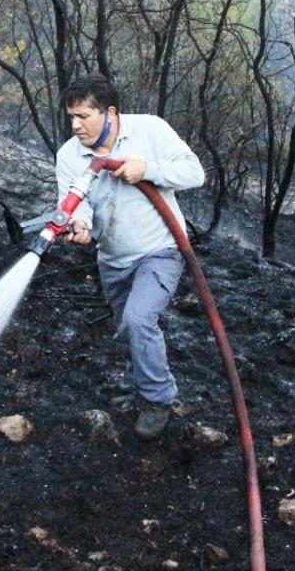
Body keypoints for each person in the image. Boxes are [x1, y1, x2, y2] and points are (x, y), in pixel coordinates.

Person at [55, 74, 205, 440]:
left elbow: (195, 173)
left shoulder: (150, 130)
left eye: (83, 117)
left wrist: (147, 171)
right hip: (113, 256)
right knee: (126, 332)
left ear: (109, 112)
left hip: (161, 249)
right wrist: (80, 226)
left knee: (138, 321)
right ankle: (141, 387)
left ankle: (159, 399)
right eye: (71, 117)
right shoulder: (69, 155)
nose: (75, 126)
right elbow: (75, 203)